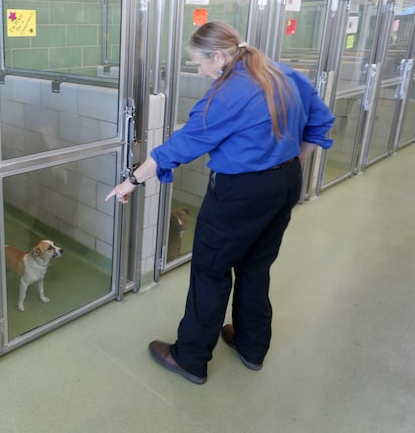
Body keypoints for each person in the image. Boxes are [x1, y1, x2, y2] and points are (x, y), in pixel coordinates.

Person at [105, 21, 335, 384]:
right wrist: (291, 164)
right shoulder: (282, 73)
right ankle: (251, 346)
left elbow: (180, 146)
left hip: (240, 193)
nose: (199, 72)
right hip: (284, 183)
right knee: (256, 267)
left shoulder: (228, 94)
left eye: (198, 64)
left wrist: (132, 180)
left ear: (219, 56)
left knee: (211, 271)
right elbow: (320, 121)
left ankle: (190, 358)